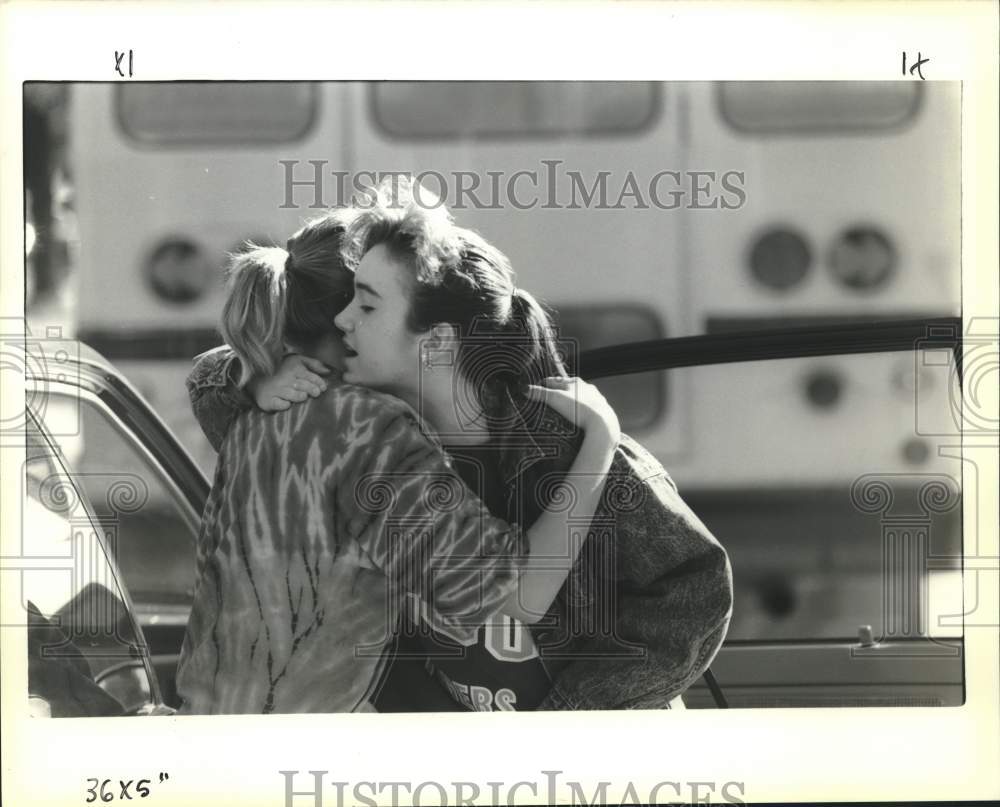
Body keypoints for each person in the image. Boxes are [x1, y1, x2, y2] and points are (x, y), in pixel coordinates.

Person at [191, 178, 732, 710]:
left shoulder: (559, 445)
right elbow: (216, 395)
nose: (344, 322)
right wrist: (254, 377)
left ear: (437, 340)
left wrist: (572, 715)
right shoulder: (366, 443)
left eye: (368, 306)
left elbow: (695, 590)